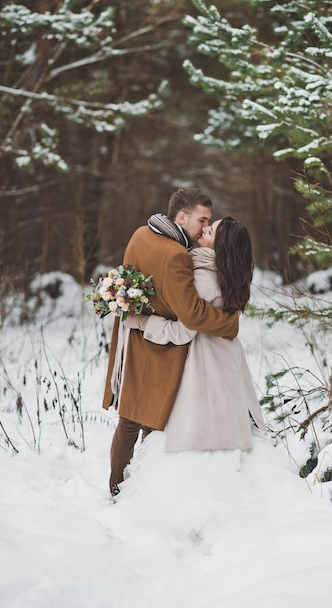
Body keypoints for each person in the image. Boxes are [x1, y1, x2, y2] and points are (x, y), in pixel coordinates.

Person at [102, 187, 239, 496]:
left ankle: (119, 489)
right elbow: (192, 315)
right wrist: (228, 323)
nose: (205, 227)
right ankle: (133, 492)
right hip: (159, 347)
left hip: (132, 340)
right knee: (149, 424)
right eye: (202, 219)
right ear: (181, 216)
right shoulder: (177, 255)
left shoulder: (141, 234)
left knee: (129, 421)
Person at [124, 216, 266, 452]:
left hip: (205, 366)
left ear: (221, 246)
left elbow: (182, 332)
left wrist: (141, 321)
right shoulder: (227, 274)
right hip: (225, 361)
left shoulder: (203, 279)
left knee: (201, 439)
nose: (203, 229)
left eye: (210, 231)